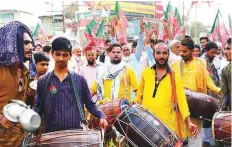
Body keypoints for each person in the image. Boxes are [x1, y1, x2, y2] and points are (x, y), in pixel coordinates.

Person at [33, 37, 107, 133]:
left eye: (65, 55)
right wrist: (28, 117)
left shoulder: (80, 80)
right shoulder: (43, 81)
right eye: (58, 54)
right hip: (52, 136)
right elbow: (38, 106)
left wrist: (102, 116)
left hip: (75, 136)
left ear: (70, 55)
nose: (61, 58)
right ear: (52, 54)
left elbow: (90, 104)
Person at [134, 43, 198, 142]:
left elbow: (181, 101)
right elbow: (139, 97)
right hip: (146, 124)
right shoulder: (146, 73)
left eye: (164, 53)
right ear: (153, 54)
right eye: (158, 53)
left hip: (166, 127)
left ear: (168, 54)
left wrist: (189, 122)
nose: (161, 56)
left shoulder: (173, 75)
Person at [170, 38, 220, 147]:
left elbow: (209, 82)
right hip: (180, 107)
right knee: (177, 136)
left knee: (195, 137)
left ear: (192, 51)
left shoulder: (200, 63)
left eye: (185, 51)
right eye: (180, 51)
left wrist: (220, 91)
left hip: (197, 107)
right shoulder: (174, 65)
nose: (182, 54)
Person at [0, 21, 34, 146]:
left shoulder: (24, 71)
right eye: (25, 43)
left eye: (31, 42)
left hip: (20, 139)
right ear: (10, 43)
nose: (31, 47)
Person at [221, 38, 231, 111]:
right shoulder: (225, 70)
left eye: (228, 49)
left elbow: (224, 94)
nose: (225, 52)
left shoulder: (226, 70)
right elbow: (224, 93)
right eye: (224, 49)